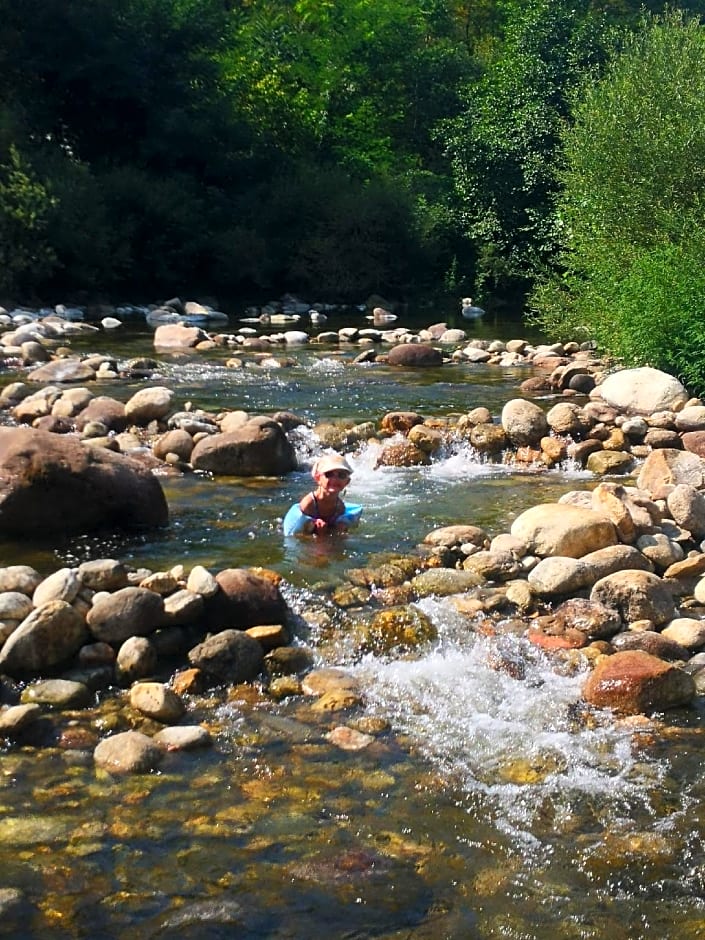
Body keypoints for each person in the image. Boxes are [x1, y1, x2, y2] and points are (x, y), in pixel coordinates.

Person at [298, 454, 355, 534]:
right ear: (318, 478)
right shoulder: (308, 505)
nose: (335, 479)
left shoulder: (339, 507)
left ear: (347, 482)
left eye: (341, 475)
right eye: (329, 474)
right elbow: (299, 537)